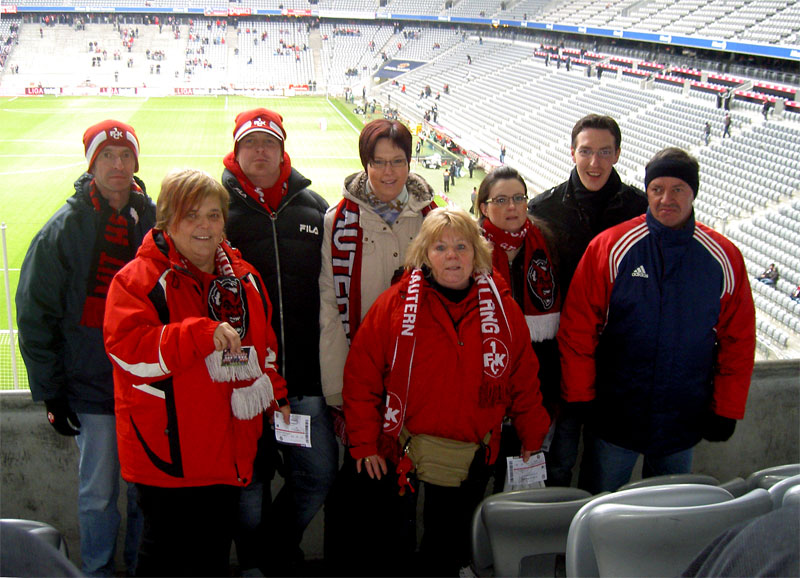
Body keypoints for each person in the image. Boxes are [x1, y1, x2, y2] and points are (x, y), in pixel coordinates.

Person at [342, 207, 551, 575]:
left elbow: (524, 379)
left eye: (461, 246)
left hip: (471, 456)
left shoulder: (504, 310)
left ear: (477, 253)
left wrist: (533, 435)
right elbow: (361, 375)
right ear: (424, 254)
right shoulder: (394, 304)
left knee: (448, 548)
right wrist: (362, 441)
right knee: (396, 546)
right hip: (403, 452)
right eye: (439, 247)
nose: (451, 255)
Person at [104, 169, 289, 577]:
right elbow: (128, 353)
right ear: (167, 220)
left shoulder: (245, 278)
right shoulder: (139, 280)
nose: (204, 226)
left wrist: (277, 395)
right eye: (191, 216)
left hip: (229, 450)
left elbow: (265, 349)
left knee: (211, 558)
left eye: (213, 215)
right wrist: (200, 334)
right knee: (165, 559)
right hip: (170, 455)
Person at [558, 147, 756, 494]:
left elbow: (738, 340)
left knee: (671, 513)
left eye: (678, 189)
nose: (667, 198)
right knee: (600, 506)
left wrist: (726, 407)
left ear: (693, 191)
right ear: (647, 191)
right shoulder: (611, 246)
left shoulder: (723, 257)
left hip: (683, 419)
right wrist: (581, 395)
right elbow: (577, 329)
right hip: (615, 415)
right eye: (657, 189)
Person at [16, 119, 154, 577]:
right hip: (92, 386)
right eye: (107, 156)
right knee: (97, 493)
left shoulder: (152, 220)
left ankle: (137, 567)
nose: (118, 164)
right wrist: (52, 393)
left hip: (146, 384)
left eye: (125, 155)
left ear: (136, 162)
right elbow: (36, 316)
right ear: (92, 164)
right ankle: (96, 572)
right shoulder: (64, 229)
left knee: (143, 492)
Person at [319, 118, 436, 573]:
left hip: (415, 381)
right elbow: (330, 306)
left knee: (404, 488)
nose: (389, 173)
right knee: (353, 487)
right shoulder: (338, 219)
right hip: (359, 380)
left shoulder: (434, 218)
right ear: (365, 164)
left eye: (398, 162)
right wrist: (337, 389)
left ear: (410, 162)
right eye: (379, 163)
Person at [221, 108, 333, 573]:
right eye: (251, 144)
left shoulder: (315, 208)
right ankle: (253, 566)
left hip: (304, 377)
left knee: (319, 473)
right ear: (237, 151)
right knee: (249, 480)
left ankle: (272, 548)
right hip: (243, 381)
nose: (260, 151)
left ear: (283, 150)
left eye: (269, 143)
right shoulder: (217, 210)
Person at [527, 113, 647, 488]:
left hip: (620, 357)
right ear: (572, 151)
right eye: (586, 151)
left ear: (618, 154)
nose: (594, 162)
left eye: (604, 152)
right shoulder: (543, 208)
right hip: (562, 355)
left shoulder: (641, 209)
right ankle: (560, 537)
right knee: (558, 460)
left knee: (606, 464)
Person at [477, 167, 561, 491]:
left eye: (518, 198)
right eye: (501, 199)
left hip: (537, 384)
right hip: (484, 386)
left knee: (520, 484)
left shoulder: (549, 243)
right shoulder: (467, 248)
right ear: (484, 206)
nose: (512, 206)